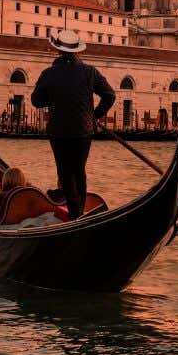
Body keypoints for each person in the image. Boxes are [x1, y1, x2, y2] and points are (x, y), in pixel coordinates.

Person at [31, 29, 115, 220]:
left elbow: (36, 101)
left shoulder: (49, 73)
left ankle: (75, 214)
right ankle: (79, 213)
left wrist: (53, 98)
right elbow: (109, 95)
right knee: (79, 171)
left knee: (65, 173)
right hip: (83, 130)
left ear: (58, 50)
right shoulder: (90, 72)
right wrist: (94, 116)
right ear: (77, 51)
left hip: (59, 131)